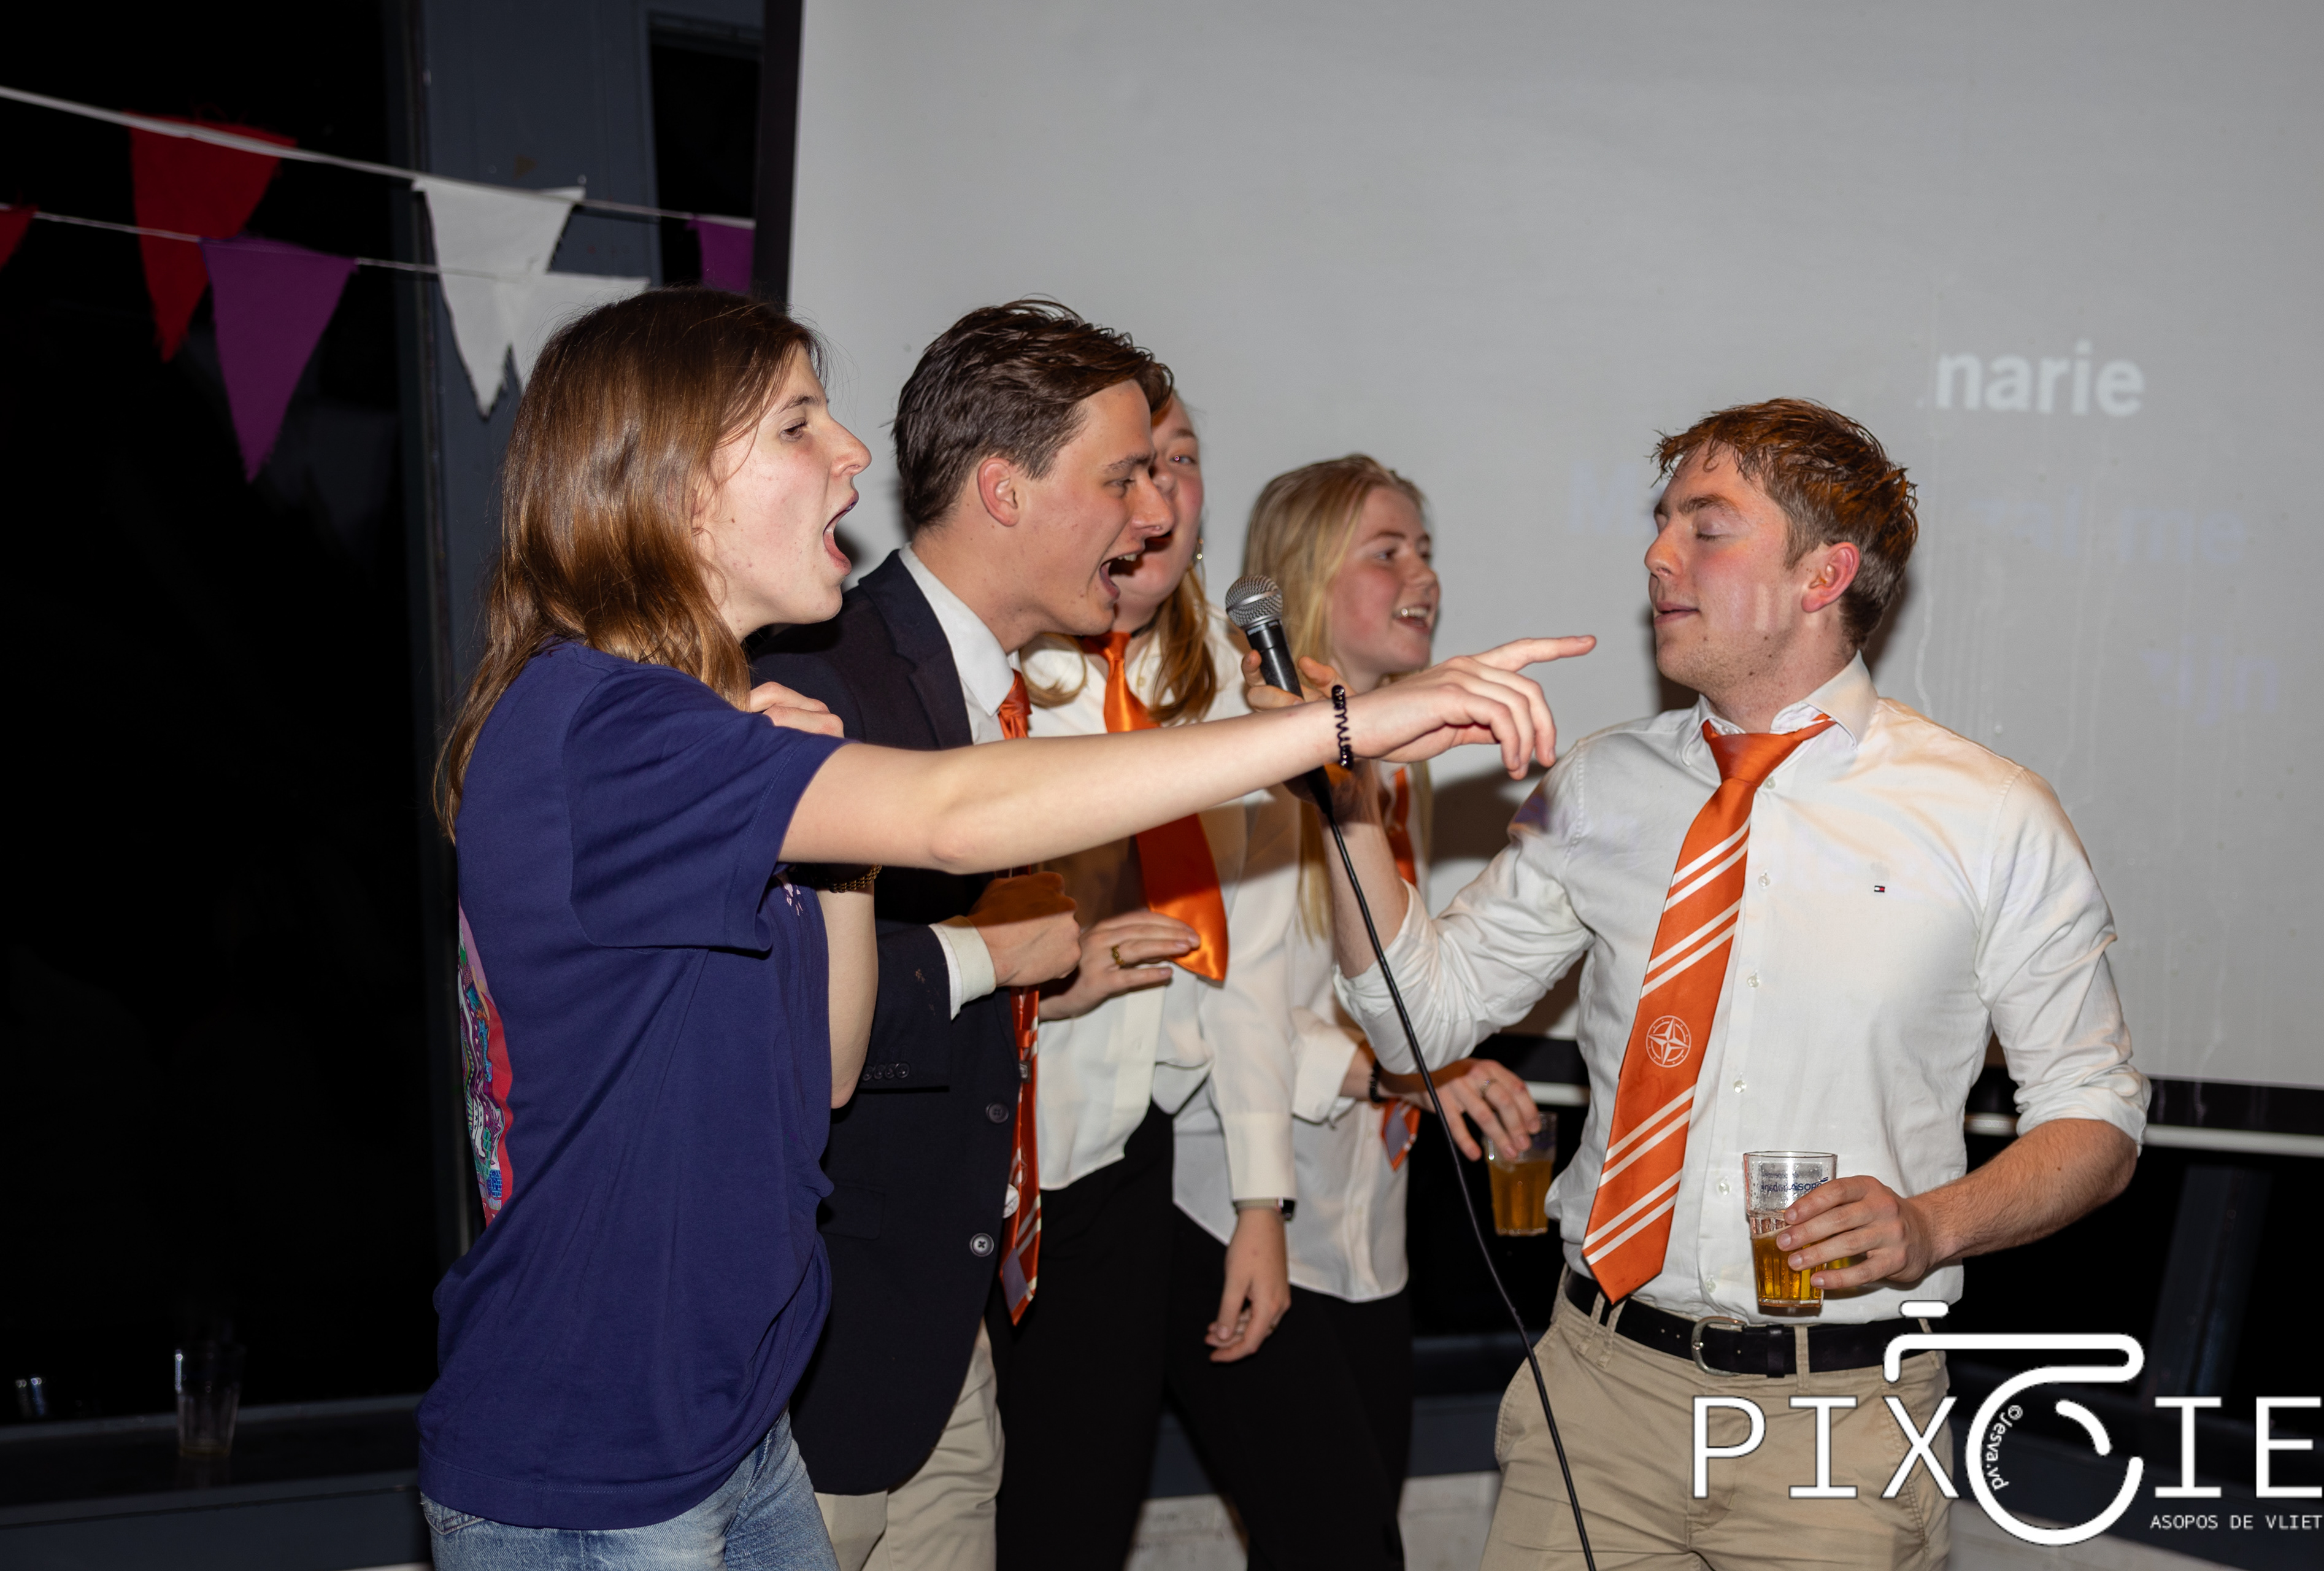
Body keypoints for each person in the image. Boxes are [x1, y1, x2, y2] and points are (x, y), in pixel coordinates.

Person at [418, 286, 1578, 1570]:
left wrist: (831, 832)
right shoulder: (601, 724)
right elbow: (958, 815)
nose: (851, 453)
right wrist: (1341, 725)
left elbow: (831, 1065)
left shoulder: (712, 727)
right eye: (799, 424)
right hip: (598, 1457)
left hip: (734, 1427)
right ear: (670, 483)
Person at [1267, 400, 2145, 1570]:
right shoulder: (1598, 787)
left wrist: (1932, 1225)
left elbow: (2098, 1118)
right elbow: (1418, 1022)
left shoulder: (1990, 817)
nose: (1657, 554)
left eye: (1706, 526)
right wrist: (1344, 793)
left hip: (1837, 1422)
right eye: (1661, 521)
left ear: (1824, 574)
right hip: (1596, 1394)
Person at [1163, 455, 1549, 1571]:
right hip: (1230, 1209)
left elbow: (1382, 989)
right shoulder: (1251, 753)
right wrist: (1390, 1073)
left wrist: (1428, 1064)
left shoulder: (1390, 760)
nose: (1423, 575)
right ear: (1305, 576)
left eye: (1425, 549)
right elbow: (1213, 1002)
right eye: (1387, 552)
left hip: (1364, 1232)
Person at [985, 391, 1296, 1566]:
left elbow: (1252, 967)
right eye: (1135, 467)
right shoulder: (1005, 663)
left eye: (1184, 462)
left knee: (1080, 1510)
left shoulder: (1237, 681)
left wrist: (1259, 1204)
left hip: (1127, 1158)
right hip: (995, 1148)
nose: (1160, 497)